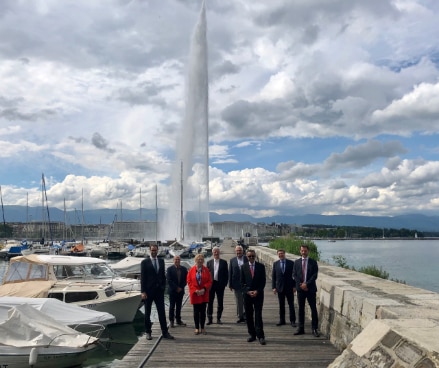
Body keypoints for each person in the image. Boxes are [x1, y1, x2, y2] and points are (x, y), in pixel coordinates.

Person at [140, 244, 175, 340]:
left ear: (157, 250)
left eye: (155, 250)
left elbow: (163, 275)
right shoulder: (144, 262)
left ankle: (165, 332)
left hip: (159, 291)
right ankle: (148, 332)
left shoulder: (161, 261)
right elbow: (143, 278)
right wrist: (143, 291)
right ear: (149, 250)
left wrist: (163, 286)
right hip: (148, 291)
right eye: (152, 250)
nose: (154, 252)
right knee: (148, 312)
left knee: (162, 312)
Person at [292, 244, 320, 337]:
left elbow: (314, 275)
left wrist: (306, 284)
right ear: (300, 251)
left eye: (305, 251)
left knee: (313, 309)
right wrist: (301, 284)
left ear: (308, 251)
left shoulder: (313, 262)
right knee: (301, 309)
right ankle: (301, 328)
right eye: (302, 251)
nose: (304, 252)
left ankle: (314, 328)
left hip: (310, 288)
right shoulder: (296, 262)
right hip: (300, 289)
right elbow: (294, 275)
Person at [240, 248, 266, 345]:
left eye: (253, 256)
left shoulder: (261, 267)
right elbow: (241, 283)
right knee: (249, 315)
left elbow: (263, 282)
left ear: (255, 256)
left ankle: (261, 336)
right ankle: (252, 334)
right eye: (249, 256)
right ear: (246, 257)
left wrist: (257, 291)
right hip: (247, 295)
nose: (251, 257)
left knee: (258, 315)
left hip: (258, 294)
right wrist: (248, 291)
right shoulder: (243, 267)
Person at [187, 253, 212, 335]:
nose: (200, 261)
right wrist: (195, 290)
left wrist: (204, 289)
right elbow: (189, 282)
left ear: (203, 261)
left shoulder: (206, 270)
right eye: (198, 259)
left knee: (203, 312)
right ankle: (197, 327)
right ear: (195, 260)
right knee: (196, 312)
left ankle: (203, 327)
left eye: (201, 259)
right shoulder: (191, 270)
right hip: (195, 294)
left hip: (204, 294)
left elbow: (209, 281)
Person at [272, 249, 296, 327]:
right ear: (277, 255)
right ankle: (282, 320)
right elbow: (274, 277)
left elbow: (295, 276)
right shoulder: (275, 264)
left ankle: (292, 321)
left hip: (289, 287)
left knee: (291, 305)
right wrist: (274, 287)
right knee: (281, 305)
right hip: (280, 288)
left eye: (282, 253)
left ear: (284, 254)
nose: (280, 255)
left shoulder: (291, 263)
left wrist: (295, 286)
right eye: (279, 254)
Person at [206, 246, 229, 325]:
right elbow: (206, 275)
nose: (216, 253)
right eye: (214, 252)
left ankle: (219, 318)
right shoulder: (209, 262)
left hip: (220, 284)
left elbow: (226, 274)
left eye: (217, 252)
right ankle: (210, 319)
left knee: (220, 302)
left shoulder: (224, 262)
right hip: (211, 285)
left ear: (219, 253)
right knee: (210, 302)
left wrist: (224, 284)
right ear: (212, 253)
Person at [166, 255, 188, 328]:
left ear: (180, 260)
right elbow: (169, 280)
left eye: (178, 259)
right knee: (172, 306)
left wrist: (181, 287)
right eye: (176, 259)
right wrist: (176, 288)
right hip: (172, 291)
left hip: (180, 291)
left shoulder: (184, 269)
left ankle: (178, 320)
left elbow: (186, 280)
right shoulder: (169, 269)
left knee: (179, 306)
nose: (177, 261)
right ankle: (171, 321)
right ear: (173, 260)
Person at [228, 245, 248, 323]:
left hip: (246, 284)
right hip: (236, 283)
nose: (238, 252)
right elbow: (230, 272)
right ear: (235, 251)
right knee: (239, 301)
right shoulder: (232, 260)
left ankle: (247, 315)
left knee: (246, 300)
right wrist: (230, 284)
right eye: (237, 251)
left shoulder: (247, 259)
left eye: (240, 251)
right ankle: (240, 316)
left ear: (242, 251)